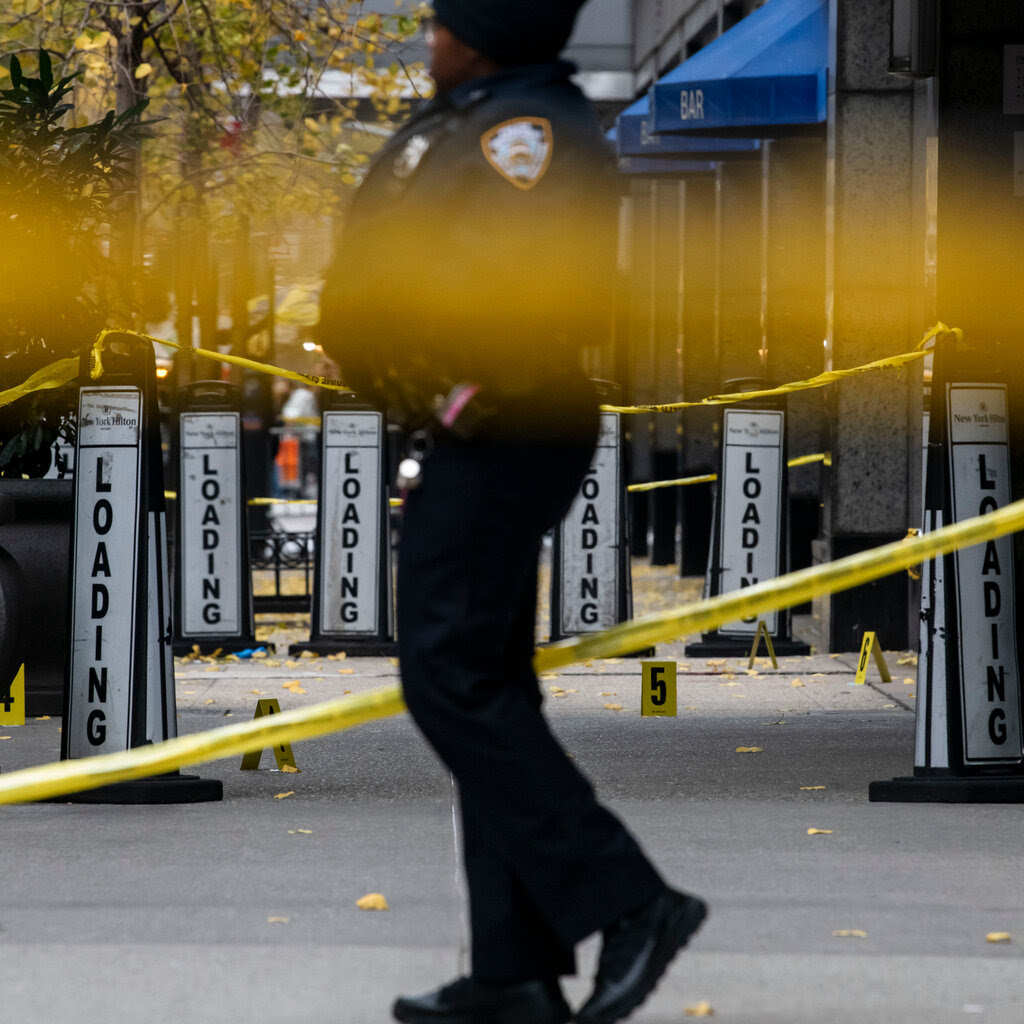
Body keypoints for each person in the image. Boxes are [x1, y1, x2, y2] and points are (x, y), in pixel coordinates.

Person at [318, 3, 707, 1022]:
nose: (430, 41)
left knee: (448, 673)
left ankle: (629, 901)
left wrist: (458, 390)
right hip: (475, 422)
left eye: (442, 24)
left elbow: (513, 287)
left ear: (481, 34)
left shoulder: (521, 132)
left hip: (499, 423)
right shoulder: (487, 112)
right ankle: (513, 973)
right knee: (482, 684)